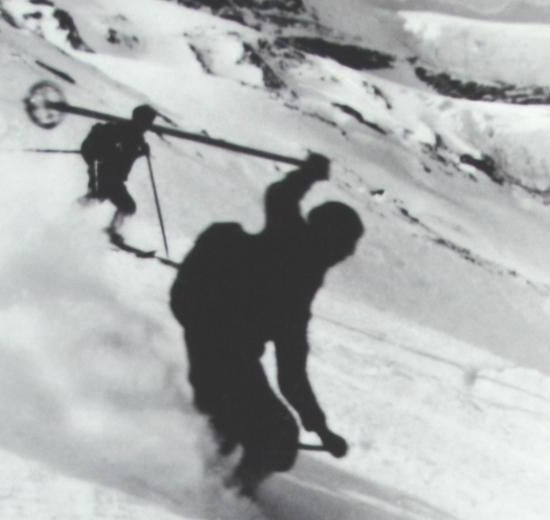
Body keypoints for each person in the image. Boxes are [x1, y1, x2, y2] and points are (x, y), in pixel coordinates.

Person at [169, 153, 363, 492]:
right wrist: (319, 428)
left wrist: (308, 174)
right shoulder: (292, 246)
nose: (347, 254)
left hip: (221, 349)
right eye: (346, 244)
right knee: (274, 435)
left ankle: (208, 480)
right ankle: (223, 497)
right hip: (219, 349)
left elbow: (291, 371)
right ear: (329, 237)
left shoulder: (296, 261)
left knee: (240, 427)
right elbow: (291, 375)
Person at [80, 105, 158, 243]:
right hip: (107, 174)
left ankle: (71, 215)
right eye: (148, 121)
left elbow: (126, 155)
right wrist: (141, 151)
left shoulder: (133, 134)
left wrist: (141, 152)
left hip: (108, 175)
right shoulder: (128, 132)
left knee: (98, 196)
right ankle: (110, 231)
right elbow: (122, 155)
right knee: (126, 205)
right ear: (139, 119)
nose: (149, 125)